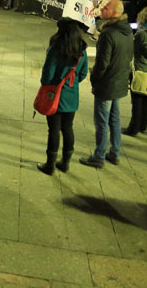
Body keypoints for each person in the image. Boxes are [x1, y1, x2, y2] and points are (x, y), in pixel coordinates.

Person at [80, 0, 133, 169]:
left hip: (107, 84)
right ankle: (115, 152)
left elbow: (102, 63)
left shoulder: (108, 34)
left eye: (106, 8)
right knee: (114, 119)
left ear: (115, 13)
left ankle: (99, 156)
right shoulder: (127, 32)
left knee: (102, 121)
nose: (102, 8)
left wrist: (94, 79)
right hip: (120, 81)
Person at [37, 19, 89, 175]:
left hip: (55, 96)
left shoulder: (56, 49)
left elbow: (47, 75)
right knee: (67, 128)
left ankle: (50, 165)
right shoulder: (82, 50)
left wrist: (47, 84)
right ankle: (65, 163)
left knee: (54, 130)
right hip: (71, 96)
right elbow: (83, 74)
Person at [123, 6, 147, 136]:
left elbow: (132, 49)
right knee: (145, 98)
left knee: (136, 100)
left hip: (139, 69)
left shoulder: (142, 34)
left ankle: (133, 127)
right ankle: (142, 125)